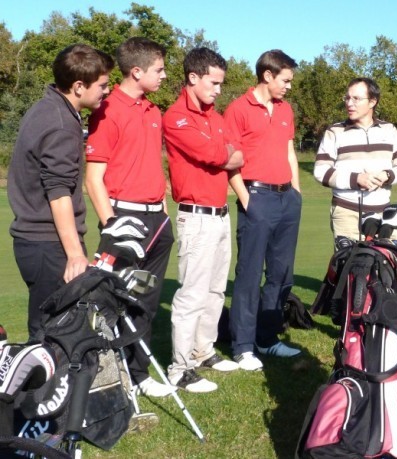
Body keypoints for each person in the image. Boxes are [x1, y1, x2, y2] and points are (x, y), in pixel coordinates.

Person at [85, 37, 175, 397]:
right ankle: (107, 377)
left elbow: (154, 169)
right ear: (136, 72)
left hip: (157, 221)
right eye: (159, 69)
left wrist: (165, 217)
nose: (165, 75)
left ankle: (138, 374)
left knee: (147, 301)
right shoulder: (107, 109)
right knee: (112, 301)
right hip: (123, 217)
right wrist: (111, 224)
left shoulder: (153, 112)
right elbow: (93, 178)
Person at [8, 44, 113, 341]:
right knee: (51, 337)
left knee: (51, 332)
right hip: (47, 245)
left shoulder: (48, 107)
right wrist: (75, 254)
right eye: (102, 85)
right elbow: (58, 192)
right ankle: (36, 388)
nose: (106, 91)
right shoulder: (60, 124)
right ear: (79, 86)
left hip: (35, 243)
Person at [313, 77, 397, 344]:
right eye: (347, 98)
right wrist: (355, 180)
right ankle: (352, 323)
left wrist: (387, 174)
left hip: (384, 213)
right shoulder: (334, 132)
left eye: (356, 98)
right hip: (346, 211)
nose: (349, 103)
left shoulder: (389, 130)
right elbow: (320, 171)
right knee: (351, 268)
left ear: (372, 102)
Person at [162, 48, 244, 393]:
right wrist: (224, 155)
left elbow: (237, 153)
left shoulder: (216, 116)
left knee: (214, 290)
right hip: (195, 216)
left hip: (220, 214)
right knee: (191, 295)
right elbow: (215, 154)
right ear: (193, 78)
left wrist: (225, 155)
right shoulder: (176, 117)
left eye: (221, 84)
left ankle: (203, 351)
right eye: (214, 82)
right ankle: (179, 368)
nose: (218, 90)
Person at [224, 49, 302, 370]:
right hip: (256, 197)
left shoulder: (285, 109)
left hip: (287, 200)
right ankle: (242, 346)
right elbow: (230, 161)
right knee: (249, 274)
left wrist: (296, 192)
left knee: (281, 275)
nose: (289, 86)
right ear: (267, 76)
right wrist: (246, 200)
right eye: (285, 80)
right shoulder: (238, 110)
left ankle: (267, 339)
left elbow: (289, 151)